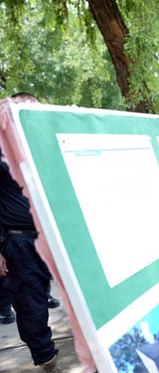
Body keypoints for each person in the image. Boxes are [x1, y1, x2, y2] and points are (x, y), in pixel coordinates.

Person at [0, 93, 61, 372]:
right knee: (31, 309)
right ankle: (48, 361)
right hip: (19, 241)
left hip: (58, 238)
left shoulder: (50, 145)